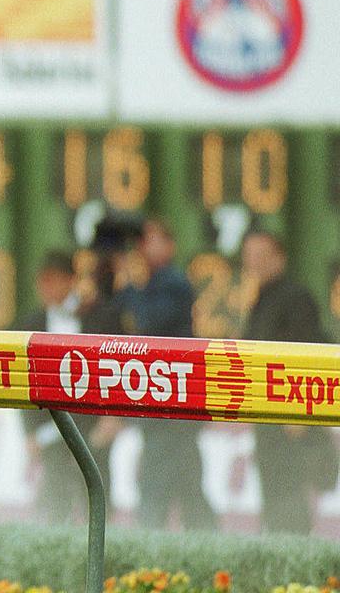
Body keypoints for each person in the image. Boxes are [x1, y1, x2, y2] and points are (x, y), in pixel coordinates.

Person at [115, 217, 216, 530]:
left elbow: (146, 320)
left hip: (174, 399)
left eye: (150, 239)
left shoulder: (173, 283)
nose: (143, 248)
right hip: (165, 399)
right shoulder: (152, 284)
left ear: (169, 245)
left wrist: (128, 284)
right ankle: (200, 540)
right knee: (182, 483)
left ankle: (158, 543)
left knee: (164, 483)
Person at [240, 230, 338, 534]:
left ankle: (295, 561)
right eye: (249, 255)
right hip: (266, 419)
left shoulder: (296, 297)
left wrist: (300, 413)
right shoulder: (261, 300)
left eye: (261, 255)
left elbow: (310, 352)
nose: (253, 262)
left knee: (290, 498)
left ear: (279, 259)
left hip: (289, 419)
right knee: (274, 494)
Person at [19, 251, 116, 524]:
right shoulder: (32, 323)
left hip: (92, 430)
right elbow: (23, 380)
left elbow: (114, 370)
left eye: (53, 280)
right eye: (43, 281)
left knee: (97, 505)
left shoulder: (99, 317)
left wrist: (113, 416)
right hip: (50, 431)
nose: (46, 288)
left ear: (71, 280)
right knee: (55, 505)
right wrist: (29, 432)